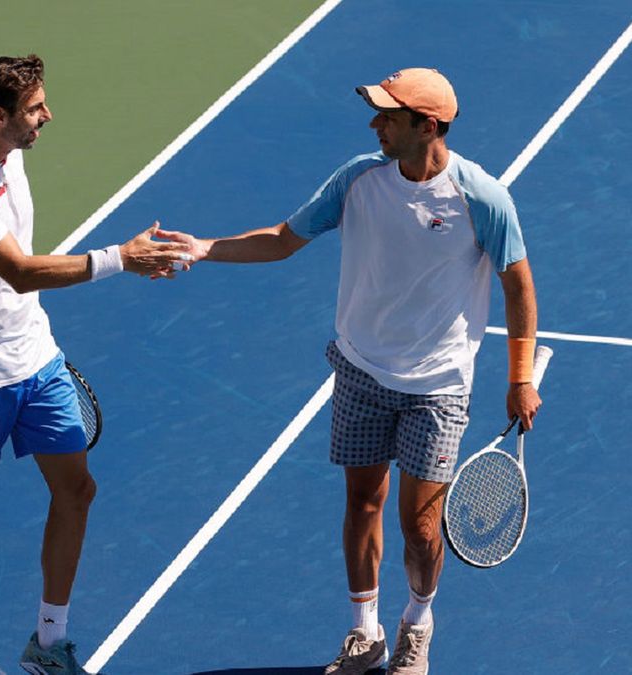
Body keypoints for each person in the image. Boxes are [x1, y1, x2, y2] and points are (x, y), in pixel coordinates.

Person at [157, 68, 542, 674]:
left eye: (388, 115)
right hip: (361, 369)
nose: (375, 123)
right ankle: (365, 633)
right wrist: (205, 247)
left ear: (428, 126)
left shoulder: (483, 198)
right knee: (362, 501)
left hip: (436, 387)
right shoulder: (359, 178)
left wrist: (519, 376)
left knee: (420, 528)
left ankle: (417, 621)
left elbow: (517, 283)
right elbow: (284, 238)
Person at [0, 54, 189, 675]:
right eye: (36, 108)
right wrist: (121, 257)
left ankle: (48, 644)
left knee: (77, 489)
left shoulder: (12, 156)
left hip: (36, 358)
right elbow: (18, 270)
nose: (48, 115)